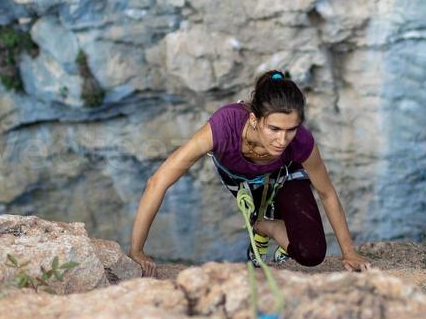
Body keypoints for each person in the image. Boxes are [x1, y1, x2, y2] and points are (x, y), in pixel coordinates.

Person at [128, 70, 372, 277]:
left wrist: (348, 253)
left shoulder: (301, 142)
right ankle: (261, 224)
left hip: (286, 175)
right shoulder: (224, 127)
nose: (282, 140)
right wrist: (136, 250)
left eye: (291, 130)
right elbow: (158, 181)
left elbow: (327, 193)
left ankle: (268, 227)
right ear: (255, 120)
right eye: (274, 129)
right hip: (241, 179)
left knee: (311, 254)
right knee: (264, 215)